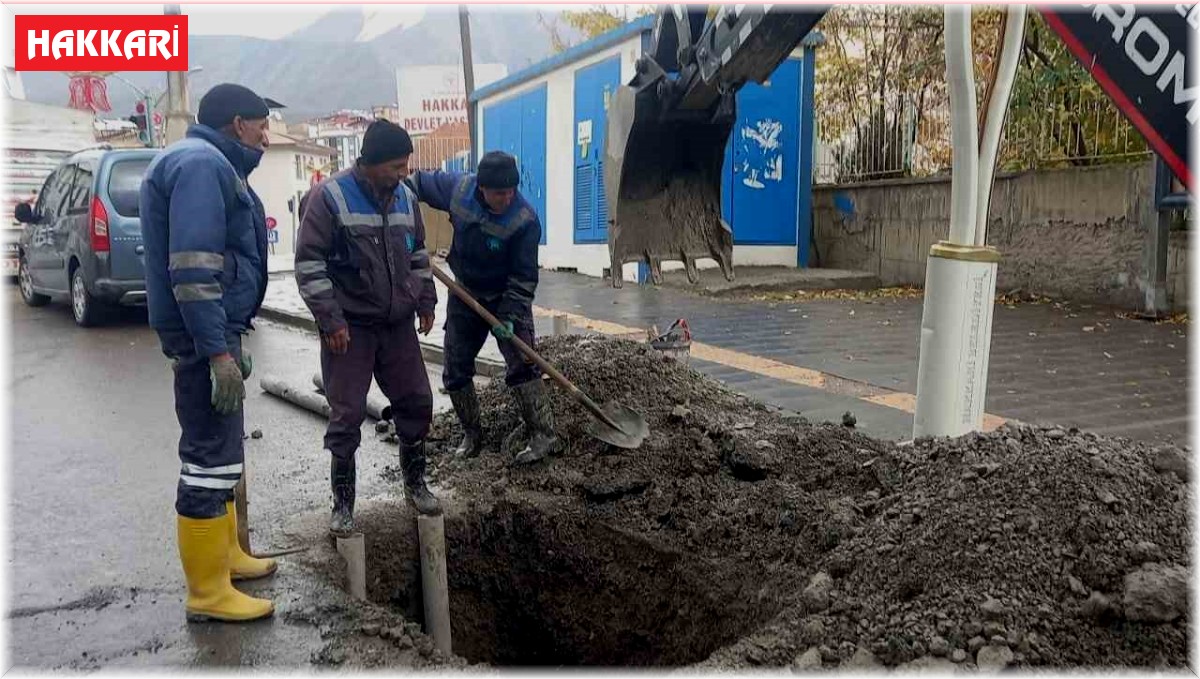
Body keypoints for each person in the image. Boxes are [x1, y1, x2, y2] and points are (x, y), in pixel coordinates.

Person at [140, 83, 277, 623]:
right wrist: (217, 350)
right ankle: (207, 591)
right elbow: (194, 270)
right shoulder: (202, 165)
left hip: (214, 333)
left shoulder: (207, 161)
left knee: (223, 453)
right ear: (238, 123)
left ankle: (225, 558)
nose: (266, 137)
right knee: (206, 461)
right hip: (202, 340)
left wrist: (231, 336)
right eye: (262, 126)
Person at [294, 119, 440, 536]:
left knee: (416, 401)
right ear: (371, 163)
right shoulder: (330, 198)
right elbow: (309, 265)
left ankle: (415, 483)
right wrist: (331, 320)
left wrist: (425, 300)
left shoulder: (405, 199)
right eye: (396, 166)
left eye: (406, 164)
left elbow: (417, 255)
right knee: (347, 414)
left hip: (396, 325)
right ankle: (343, 503)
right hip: (350, 328)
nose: (403, 173)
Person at [405, 151, 557, 465]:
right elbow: (415, 183)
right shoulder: (459, 189)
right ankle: (472, 434)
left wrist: (510, 316)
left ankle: (543, 434)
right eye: (500, 193)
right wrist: (396, 202)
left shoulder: (524, 220)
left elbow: (524, 277)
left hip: (505, 295)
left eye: (512, 191)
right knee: (456, 366)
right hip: (466, 291)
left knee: (523, 363)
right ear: (482, 187)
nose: (507, 198)